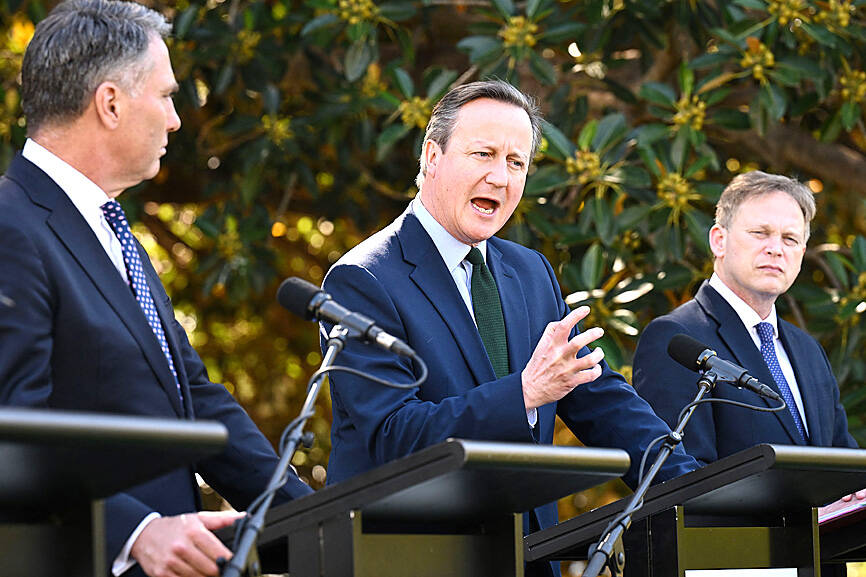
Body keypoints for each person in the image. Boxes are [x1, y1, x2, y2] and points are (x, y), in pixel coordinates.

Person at [320, 80, 698, 576]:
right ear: (432, 156)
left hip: (525, 556)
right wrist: (524, 394)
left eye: (516, 162)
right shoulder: (362, 279)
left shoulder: (530, 271)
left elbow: (600, 398)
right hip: (411, 558)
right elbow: (393, 434)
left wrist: (697, 488)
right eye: (484, 154)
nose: (500, 177)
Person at [0, 2, 311, 576]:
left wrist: (317, 517)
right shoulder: (9, 225)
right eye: (166, 96)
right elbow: (9, 432)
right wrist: (134, 530)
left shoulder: (114, 233)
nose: (175, 120)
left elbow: (192, 400)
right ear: (110, 103)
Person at [633, 171, 858, 465]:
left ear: (802, 253)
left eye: (790, 239)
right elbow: (678, 474)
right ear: (719, 241)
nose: (775, 249)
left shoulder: (809, 350)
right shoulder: (675, 339)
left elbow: (846, 466)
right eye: (760, 233)